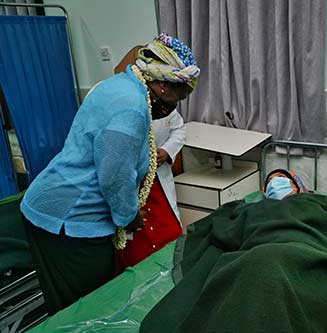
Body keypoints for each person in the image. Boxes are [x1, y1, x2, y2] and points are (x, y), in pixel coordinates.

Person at [20, 33, 200, 315]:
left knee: (78, 306)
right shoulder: (131, 108)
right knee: (88, 311)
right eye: (181, 93)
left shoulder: (120, 85)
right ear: (164, 86)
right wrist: (129, 216)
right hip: (68, 219)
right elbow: (115, 177)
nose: (179, 101)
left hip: (55, 209)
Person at [113, 39, 192, 273]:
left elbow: (179, 129)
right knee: (136, 240)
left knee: (169, 233)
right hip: (132, 183)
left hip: (157, 179)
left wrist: (165, 151)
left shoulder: (164, 107)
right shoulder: (126, 104)